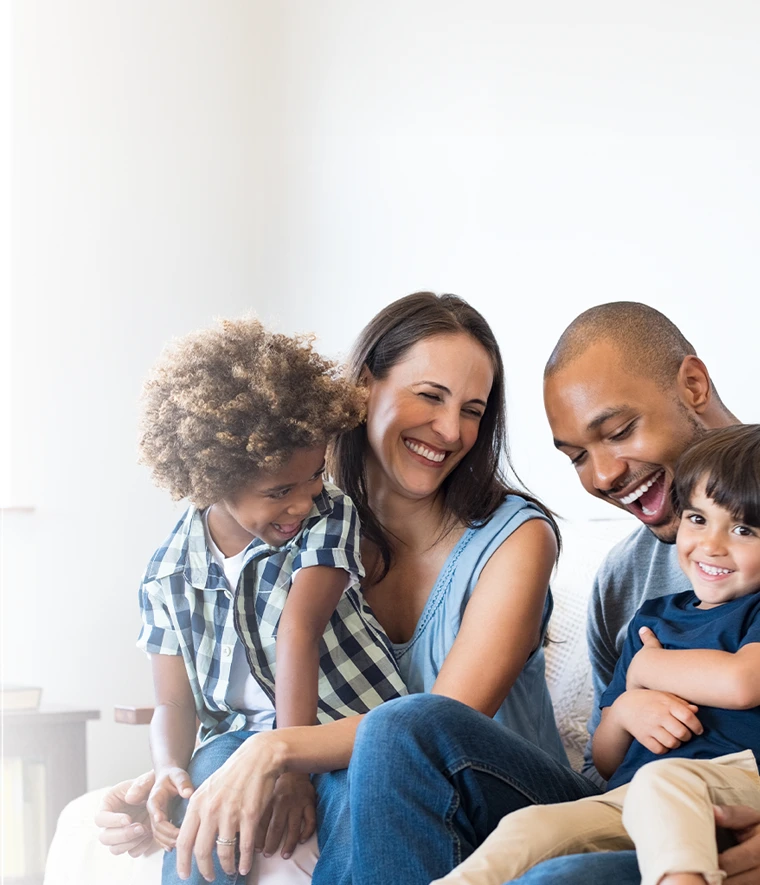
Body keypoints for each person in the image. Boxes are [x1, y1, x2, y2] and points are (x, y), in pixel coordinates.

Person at [93, 293, 584, 884]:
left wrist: (277, 752)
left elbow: (434, 727)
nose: (452, 430)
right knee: (218, 785)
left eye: (473, 410)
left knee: (390, 740)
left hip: (492, 795)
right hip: (368, 782)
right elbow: (232, 688)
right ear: (364, 388)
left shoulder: (515, 539)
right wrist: (180, 785)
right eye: (429, 396)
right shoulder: (297, 528)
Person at [326, 301, 760, 885]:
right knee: (401, 728)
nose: (603, 476)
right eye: (578, 456)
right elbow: (605, 766)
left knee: (553, 880)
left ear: (693, 384)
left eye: (619, 431)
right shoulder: (624, 582)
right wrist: (628, 704)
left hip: (715, 809)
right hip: (629, 807)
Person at [135, 317, 408, 884]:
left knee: (357, 802)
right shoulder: (167, 575)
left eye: (312, 477)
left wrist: (292, 767)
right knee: (201, 805)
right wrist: (166, 769)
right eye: (279, 492)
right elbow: (173, 705)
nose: (302, 503)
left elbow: (298, 630)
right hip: (234, 738)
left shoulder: (329, 516)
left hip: (340, 724)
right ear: (211, 481)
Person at [433, 424, 760, 885]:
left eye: (743, 528)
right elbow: (605, 760)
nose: (711, 544)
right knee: (530, 826)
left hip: (737, 781)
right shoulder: (653, 620)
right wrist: (626, 709)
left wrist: (648, 669)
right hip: (637, 795)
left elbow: (743, 682)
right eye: (698, 518)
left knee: (662, 782)